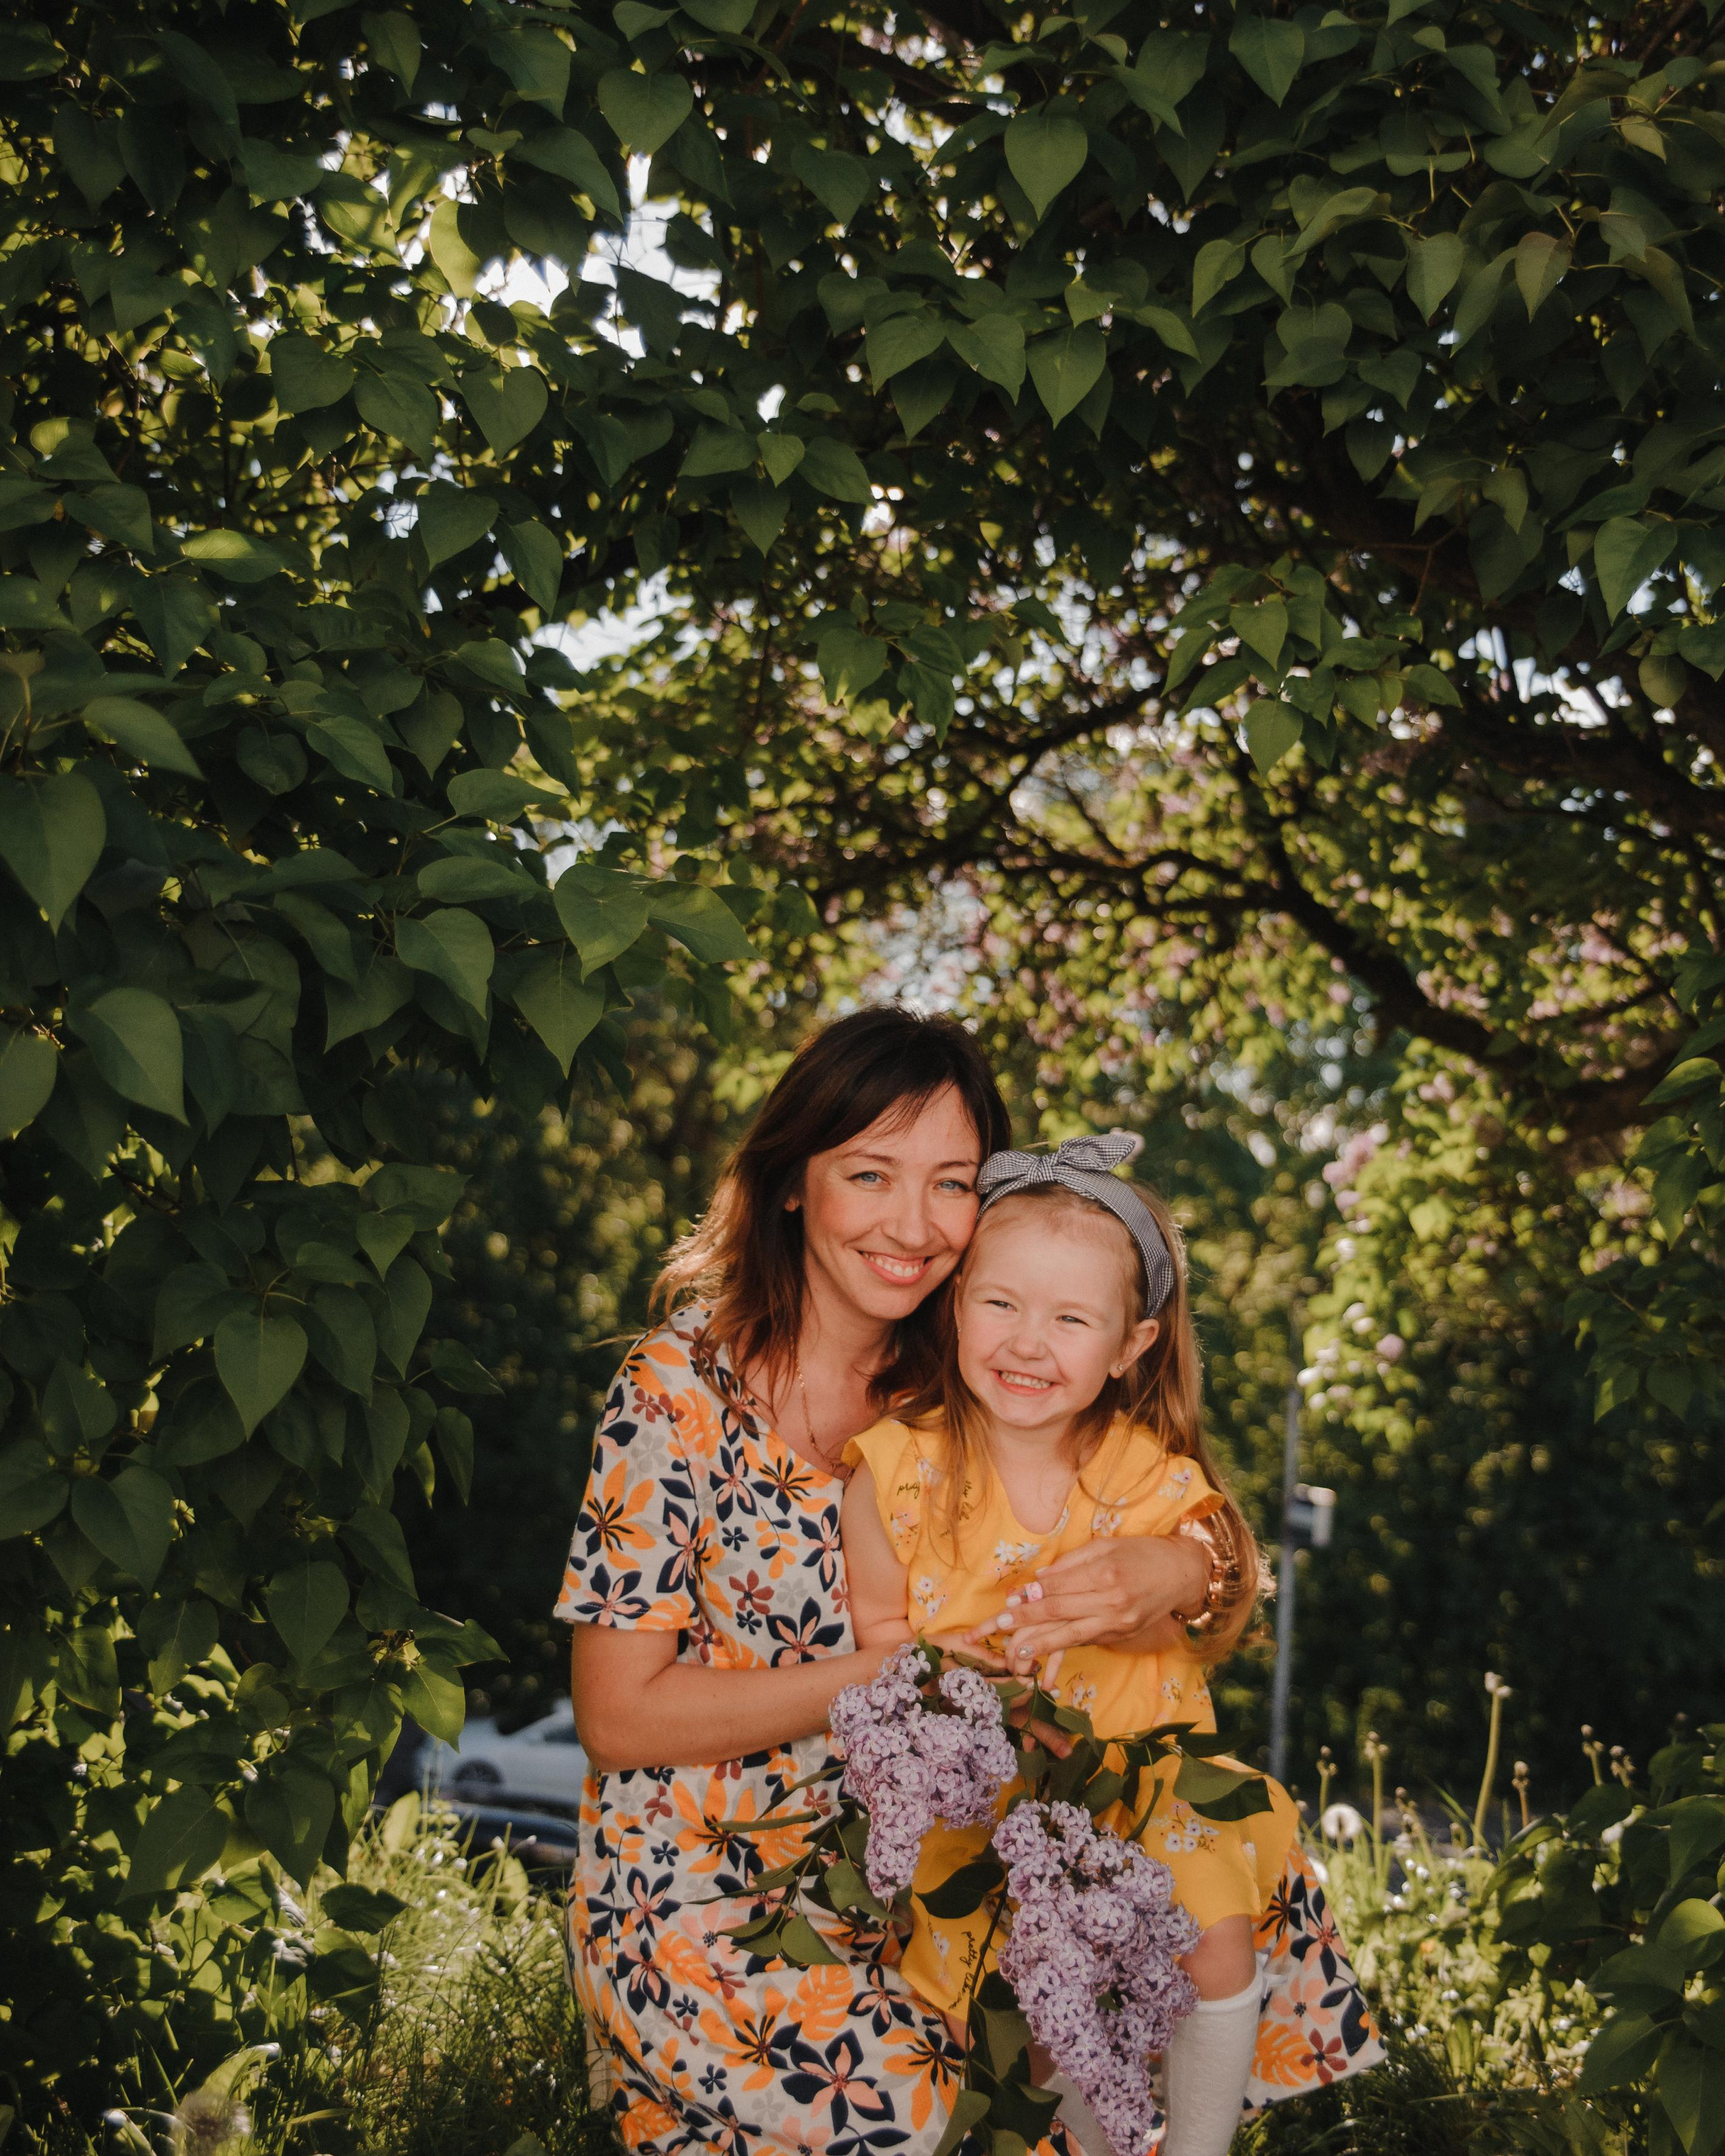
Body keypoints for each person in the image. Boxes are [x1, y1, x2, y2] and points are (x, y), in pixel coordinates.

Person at [555, 1011, 1220, 2156]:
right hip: (713, 1902)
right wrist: (887, 1676)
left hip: (942, 1900)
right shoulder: (678, 1388)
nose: (913, 1226)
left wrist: (1181, 1566)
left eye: (952, 1184)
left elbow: (1166, 1504)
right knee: (938, 2131)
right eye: (870, 1174)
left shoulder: (985, 1370)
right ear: (793, 1184)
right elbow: (617, 1718)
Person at [842, 1133, 1383, 2156]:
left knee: (1212, 1930)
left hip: (1145, 1783)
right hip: (985, 1808)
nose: (1028, 1343)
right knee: (1046, 2031)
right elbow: (881, 1644)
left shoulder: (1145, 1475)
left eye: (1071, 1319)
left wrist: (1174, 1573)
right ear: (954, 1306)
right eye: (999, 1304)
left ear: (1131, 1347)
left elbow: (1214, 1583)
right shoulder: (899, 1471)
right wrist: (955, 1692)